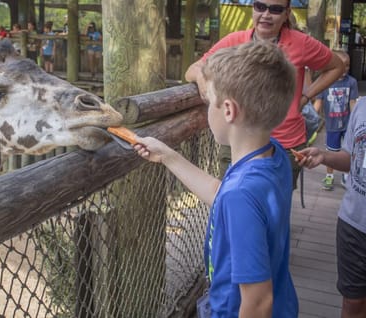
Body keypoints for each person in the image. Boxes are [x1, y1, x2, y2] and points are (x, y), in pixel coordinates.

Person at [135, 41, 298, 317]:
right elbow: (220, 193)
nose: (207, 110)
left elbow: (258, 302)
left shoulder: (241, 194)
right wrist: (167, 156)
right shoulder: (272, 157)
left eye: (208, 102)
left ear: (228, 110)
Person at [185, 0, 345, 188]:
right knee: (229, 198)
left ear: (287, 13)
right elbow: (193, 69)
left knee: (274, 205)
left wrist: (305, 97)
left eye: (275, 10)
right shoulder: (235, 40)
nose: (266, 14)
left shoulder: (301, 43)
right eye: (260, 7)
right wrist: (205, 85)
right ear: (253, 8)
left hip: (285, 142)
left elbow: (337, 66)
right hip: (238, 140)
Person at [297, 98, 366, 318]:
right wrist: (324, 156)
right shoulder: (362, 107)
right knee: (352, 301)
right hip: (354, 224)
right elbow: (351, 158)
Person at [313, 50, 359, 191]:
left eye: (347, 66)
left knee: (349, 151)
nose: (344, 69)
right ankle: (329, 176)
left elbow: (352, 103)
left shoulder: (351, 82)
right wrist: (311, 121)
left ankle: (346, 175)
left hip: (347, 125)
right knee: (331, 152)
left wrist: (356, 123)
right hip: (332, 125)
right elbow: (318, 104)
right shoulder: (324, 82)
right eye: (341, 65)